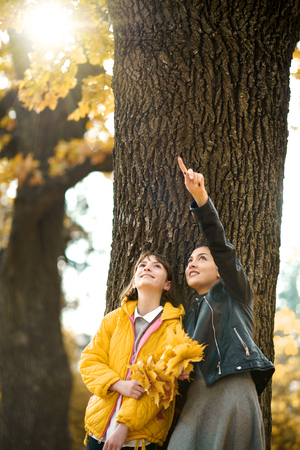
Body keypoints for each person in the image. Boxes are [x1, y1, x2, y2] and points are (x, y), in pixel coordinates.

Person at [167, 157, 275, 450]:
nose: (192, 263)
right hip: (197, 398)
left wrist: (200, 199)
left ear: (220, 270)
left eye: (202, 258)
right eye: (190, 260)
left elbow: (221, 246)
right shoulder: (185, 316)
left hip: (232, 387)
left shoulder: (236, 293)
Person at [80, 251, 185, 450]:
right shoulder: (113, 319)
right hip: (98, 430)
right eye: (142, 265)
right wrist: (118, 384)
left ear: (167, 285)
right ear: (134, 282)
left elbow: (161, 382)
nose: (147, 268)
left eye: (156, 266)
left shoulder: (173, 328)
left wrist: (124, 426)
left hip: (139, 438)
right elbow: (89, 361)